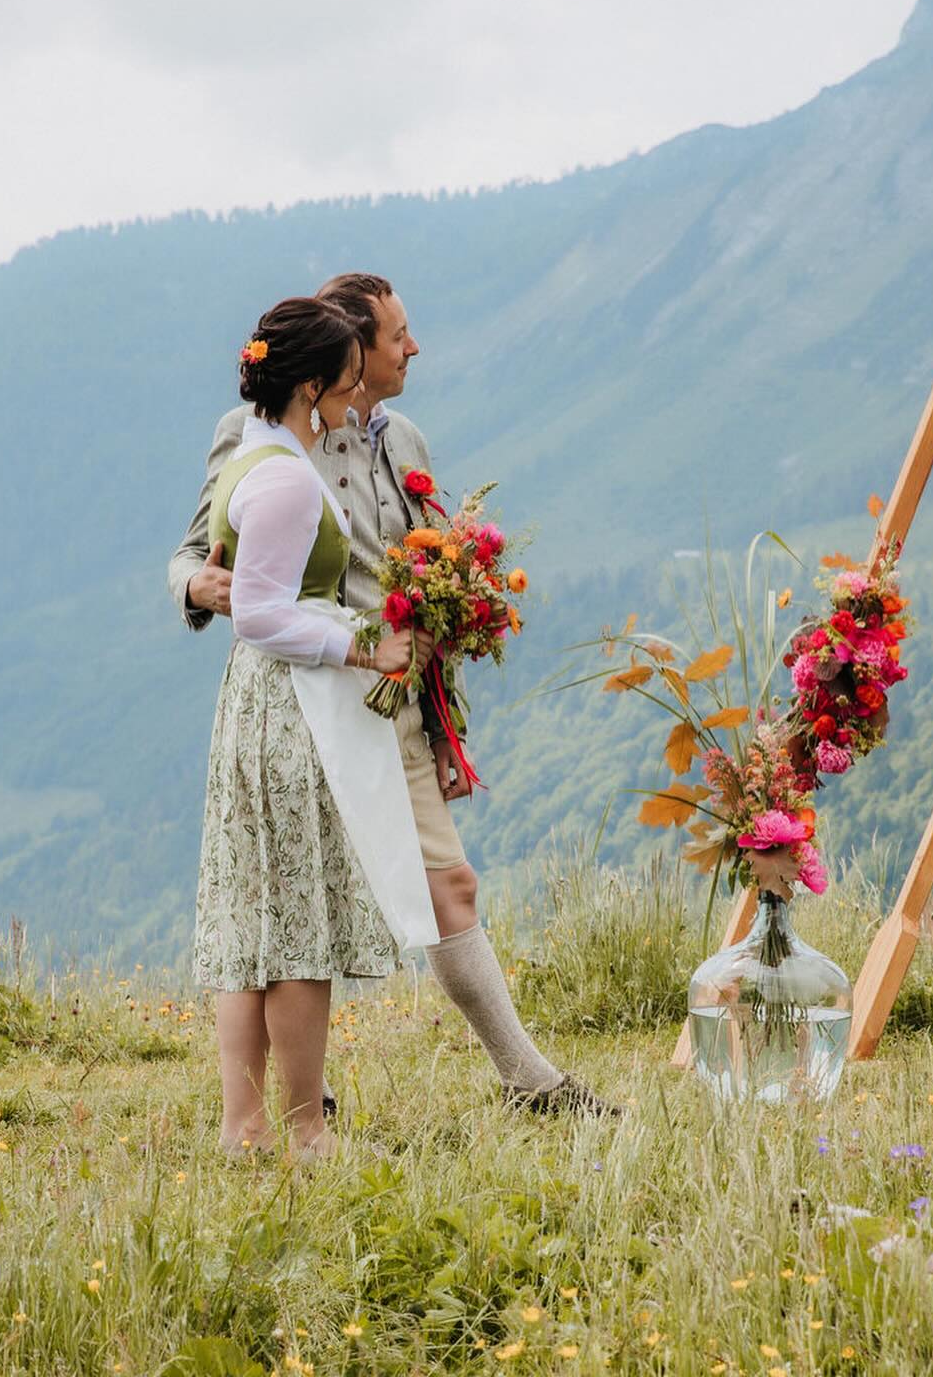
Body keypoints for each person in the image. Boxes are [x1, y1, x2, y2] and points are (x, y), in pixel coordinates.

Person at [171, 274, 619, 1116]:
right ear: (347, 357)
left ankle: (530, 1082)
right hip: (310, 703)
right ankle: (301, 1108)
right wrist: (200, 590)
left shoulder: (403, 437)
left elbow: (425, 564)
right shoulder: (253, 435)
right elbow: (195, 553)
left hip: (394, 704)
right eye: (397, 337)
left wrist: (446, 702)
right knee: (291, 908)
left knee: (450, 886)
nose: (413, 349)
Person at [191, 296, 439, 1160]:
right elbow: (260, 614)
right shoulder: (291, 480)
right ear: (307, 386)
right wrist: (365, 645)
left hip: (252, 705)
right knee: (298, 925)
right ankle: (302, 1132)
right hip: (290, 706)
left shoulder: (252, 455)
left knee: (252, 912)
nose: (348, 398)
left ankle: (243, 1125)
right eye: (339, 385)